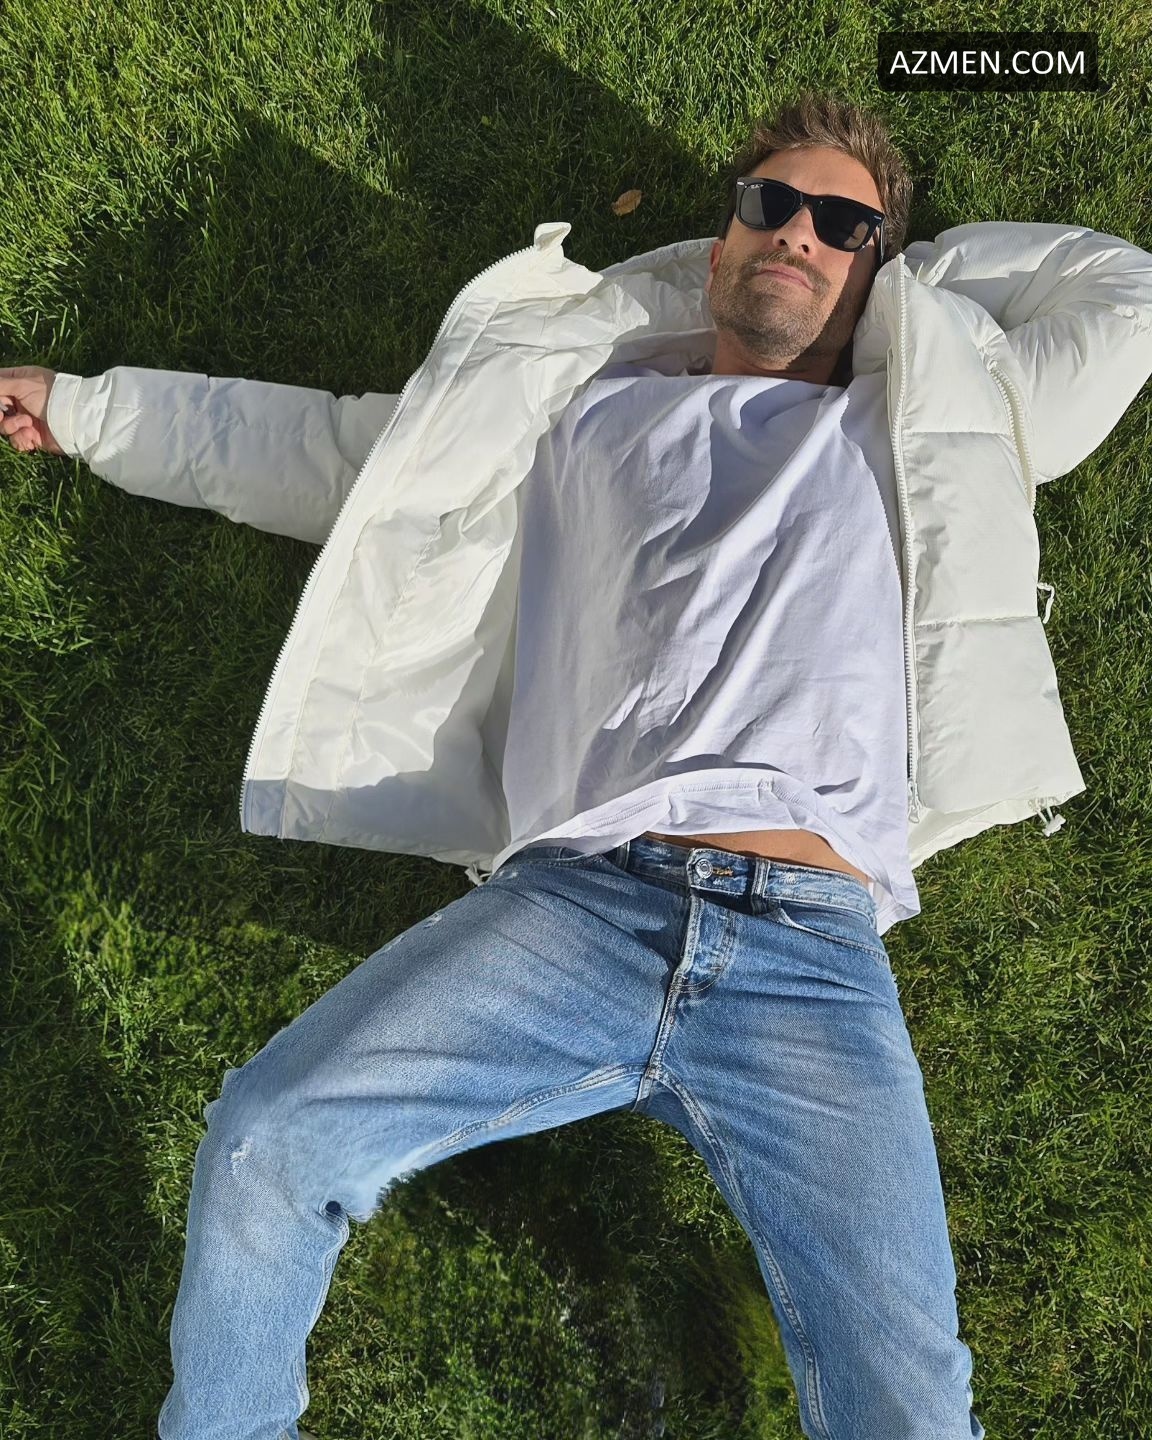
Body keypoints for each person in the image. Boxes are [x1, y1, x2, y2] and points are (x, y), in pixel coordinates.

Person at [5, 90, 1152, 1440]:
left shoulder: (938, 431)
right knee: (267, 1140)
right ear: (718, 244)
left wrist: (921, 283)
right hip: (577, 906)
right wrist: (86, 408)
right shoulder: (568, 407)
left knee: (911, 1395)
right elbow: (319, 450)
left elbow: (1123, 291)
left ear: (876, 274)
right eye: (772, 205)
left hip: (813, 954)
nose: (798, 234)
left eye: (842, 226)